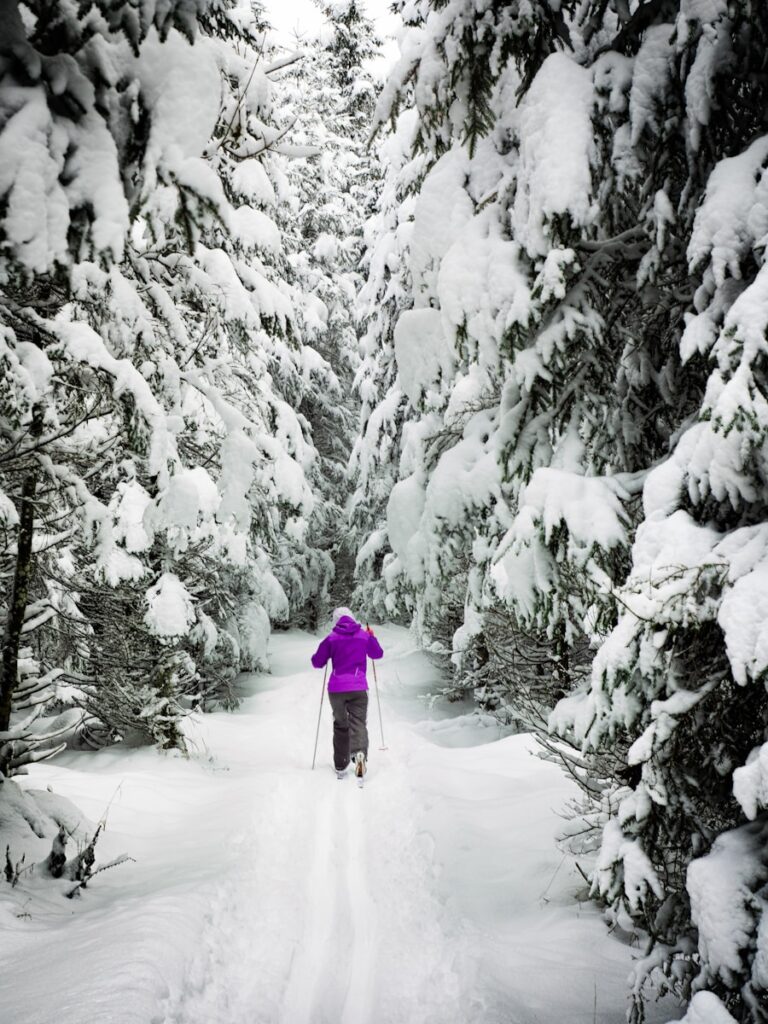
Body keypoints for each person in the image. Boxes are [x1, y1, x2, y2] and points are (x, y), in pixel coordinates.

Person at [311, 607, 383, 779]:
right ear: (352, 618)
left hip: (336, 690)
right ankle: (359, 755)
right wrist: (371, 637)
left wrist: (329, 653)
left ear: (337, 621)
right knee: (358, 723)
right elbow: (377, 653)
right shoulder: (363, 636)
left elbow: (316, 662)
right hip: (358, 688)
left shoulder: (331, 638)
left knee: (341, 724)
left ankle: (341, 764)